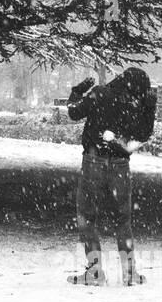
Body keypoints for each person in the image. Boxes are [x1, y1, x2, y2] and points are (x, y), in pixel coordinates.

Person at [66, 68, 157, 287]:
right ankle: (129, 273)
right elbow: (144, 134)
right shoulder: (137, 105)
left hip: (93, 160)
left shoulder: (100, 93)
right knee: (123, 219)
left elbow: (73, 113)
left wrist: (77, 92)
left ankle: (95, 271)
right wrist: (149, 107)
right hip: (120, 164)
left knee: (87, 216)